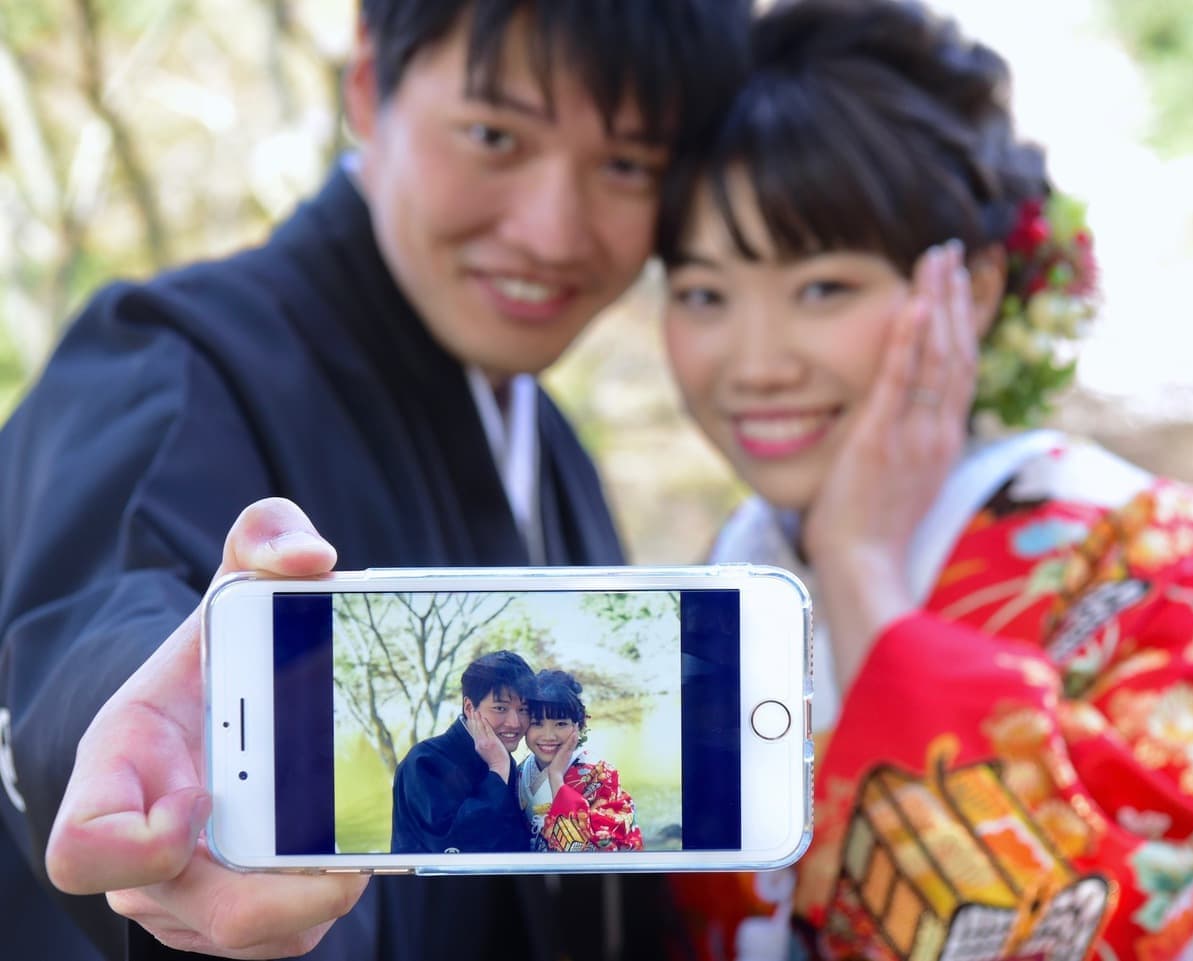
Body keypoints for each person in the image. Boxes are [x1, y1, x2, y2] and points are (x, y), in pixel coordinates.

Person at [654, 1, 1193, 959]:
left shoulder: (1147, 556)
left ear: (967, 287)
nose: (754, 361)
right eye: (702, 294)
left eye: (823, 288)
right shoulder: (727, 570)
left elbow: (1156, 915)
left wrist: (865, 581)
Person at [0, 1, 749, 958]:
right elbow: (102, 616)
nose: (554, 230)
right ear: (368, 85)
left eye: (627, 164)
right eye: (494, 135)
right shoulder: (173, 361)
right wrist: (159, 766)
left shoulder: (550, 444)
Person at [391, 652, 535, 854]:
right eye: (500, 708)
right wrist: (497, 770)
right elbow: (454, 849)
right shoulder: (423, 762)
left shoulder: (502, 759)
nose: (515, 723)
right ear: (469, 707)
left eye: (523, 710)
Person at [516, 670, 642, 853]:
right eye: (537, 723)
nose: (548, 736)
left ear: (579, 725)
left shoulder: (600, 774)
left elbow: (597, 853)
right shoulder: (522, 771)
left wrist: (557, 780)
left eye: (560, 724)